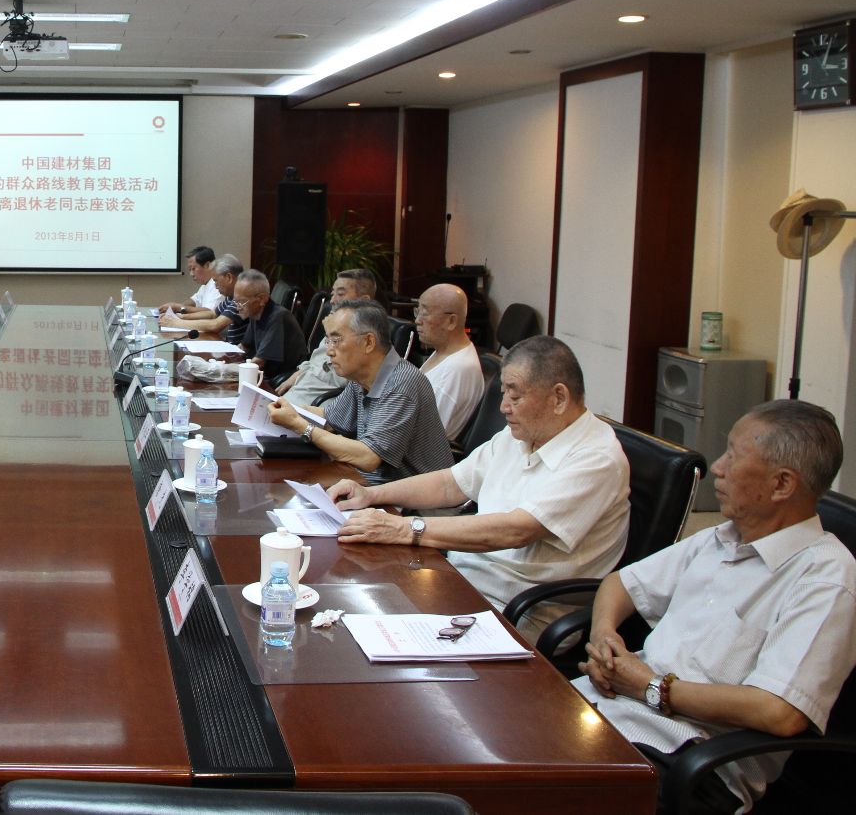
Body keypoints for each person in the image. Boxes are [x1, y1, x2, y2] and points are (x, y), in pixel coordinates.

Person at [574, 400, 855, 815]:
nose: (718, 468)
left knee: (517, 787)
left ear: (781, 484)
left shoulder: (824, 577)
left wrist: (651, 687)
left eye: (733, 457)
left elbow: (780, 712)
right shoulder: (723, 536)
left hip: (683, 760)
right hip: (608, 709)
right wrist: (605, 639)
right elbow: (622, 584)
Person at [325, 335, 628, 636]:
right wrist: (371, 494)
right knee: (349, 599)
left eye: (515, 397)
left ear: (559, 398)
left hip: (517, 612)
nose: (504, 407)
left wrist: (403, 528)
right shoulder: (523, 434)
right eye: (504, 394)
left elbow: (517, 530)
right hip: (462, 579)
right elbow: (451, 483)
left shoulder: (597, 458)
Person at [269, 299, 451, 483]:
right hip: (370, 482)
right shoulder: (361, 377)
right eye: (328, 341)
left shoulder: (401, 384)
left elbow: (368, 457)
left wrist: (300, 425)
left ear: (368, 342)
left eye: (336, 341)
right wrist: (280, 409)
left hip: (414, 495)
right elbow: (328, 419)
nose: (329, 351)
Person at [277, 268, 377, 406]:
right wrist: (300, 373)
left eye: (340, 294)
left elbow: (346, 383)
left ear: (364, 300)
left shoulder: (365, 340)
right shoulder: (338, 325)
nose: (333, 300)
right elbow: (317, 361)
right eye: (333, 293)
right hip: (291, 398)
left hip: (312, 408)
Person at [413, 283, 485, 440]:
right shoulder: (444, 351)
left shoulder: (456, 370)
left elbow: (426, 438)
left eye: (425, 313)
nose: (418, 320)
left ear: (451, 321)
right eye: (417, 311)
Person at [234, 268, 308, 385]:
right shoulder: (255, 312)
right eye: (236, 301)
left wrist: (229, 372)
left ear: (261, 299)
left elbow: (259, 362)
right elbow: (244, 346)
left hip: (279, 380)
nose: (237, 307)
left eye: (241, 302)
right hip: (263, 375)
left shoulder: (277, 317)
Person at [161, 254, 246, 342]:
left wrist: (175, 323)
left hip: (236, 349)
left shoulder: (242, 298)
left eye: (216, 281)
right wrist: (181, 317)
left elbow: (216, 325)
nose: (215, 286)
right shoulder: (231, 296)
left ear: (228, 278)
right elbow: (212, 314)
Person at [157, 246, 218, 317]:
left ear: (207, 265)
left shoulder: (217, 284)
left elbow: (210, 313)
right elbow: (194, 300)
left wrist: (179, 308)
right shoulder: (206, 284)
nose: (191, 274)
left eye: (193, 269)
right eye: (190, 270)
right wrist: (175, 307)